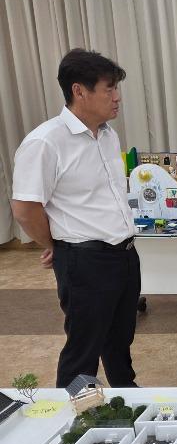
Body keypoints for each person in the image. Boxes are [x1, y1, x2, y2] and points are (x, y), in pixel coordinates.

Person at [11, 48, 139, 388]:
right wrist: (58, 245)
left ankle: (127, 393)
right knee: (84, 346)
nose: (117, 98)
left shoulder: (108, 135)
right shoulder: (45, 142)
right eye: (109, 89)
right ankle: (75, 408)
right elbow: (25, 209)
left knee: (120, 338)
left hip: (125, 254)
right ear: (79, 91)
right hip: (86, 260)